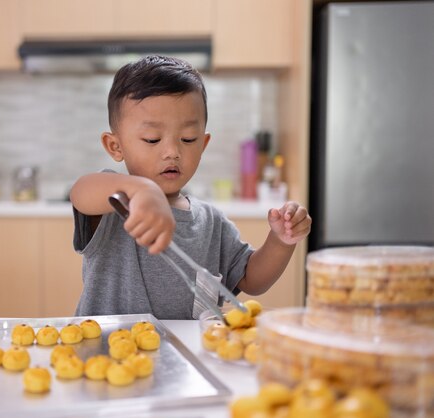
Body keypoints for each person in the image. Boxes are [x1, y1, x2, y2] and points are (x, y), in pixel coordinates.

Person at [70, 55, 311, 319]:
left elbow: (252, 280)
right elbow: (81, 192)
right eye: (152, 139)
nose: (172, 151)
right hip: (108, 356)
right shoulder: (116, 202)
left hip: (188, 357)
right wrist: (141, 191)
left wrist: (280, 241)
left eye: (188, 138)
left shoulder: (212, 223)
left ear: (203, 145)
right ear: (115, 146)